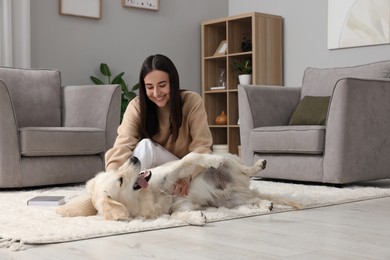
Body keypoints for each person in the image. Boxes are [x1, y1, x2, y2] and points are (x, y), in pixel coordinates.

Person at [105, 54, 213, 196]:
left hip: (185, 170)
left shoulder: (191, 101)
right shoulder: (137, 106)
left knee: (146, 147)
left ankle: (116, 194)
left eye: (162, 85)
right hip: (153, 172)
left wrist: (186, 176)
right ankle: (112, 191)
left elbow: (202, 147)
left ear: (173, 83)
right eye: (149, 87)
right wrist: (111, 176)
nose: (156, 93)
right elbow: (123, 145)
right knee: (140, 156)